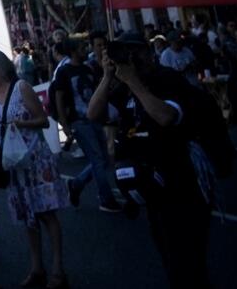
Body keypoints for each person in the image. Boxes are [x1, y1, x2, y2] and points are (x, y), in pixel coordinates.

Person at [87, 33, 212, 288]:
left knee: (187, 266)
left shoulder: (167, 79)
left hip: (181, 187)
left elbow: (165, 117)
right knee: (171, 262)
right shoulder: (124, 86)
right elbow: (94, 114)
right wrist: (108, 75)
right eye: (125, 52)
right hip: (152, 190)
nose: (131, 57)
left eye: (136, 51)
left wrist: (133, 80)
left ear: (149, 52)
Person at [0, 47, 67, 287]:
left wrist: (23, 123)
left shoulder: (22, 88)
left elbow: (43, 119)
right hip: (13, 165)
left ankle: (58, 269)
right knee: (28, 218)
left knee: (47, 213)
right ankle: (37, 267)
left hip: (36, 160)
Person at [49, 39, 124, 214]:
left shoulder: (88, 68)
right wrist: (64, 123)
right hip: (79, 121)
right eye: (82, 48)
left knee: (104, 159)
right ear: (73, 51)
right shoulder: (64, 72)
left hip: (95, 119)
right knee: (98, 159)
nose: (86, 50)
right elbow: (59, 98)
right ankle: (106, 198)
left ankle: (76, 184)